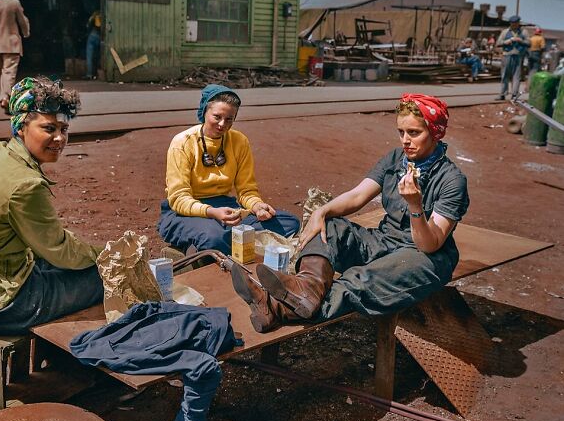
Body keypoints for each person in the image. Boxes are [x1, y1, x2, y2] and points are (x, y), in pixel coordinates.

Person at [231, 94, 469, 333]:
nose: (405, 140)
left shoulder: (451, 180)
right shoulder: (397, 159)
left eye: (414, 133)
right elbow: (357, 196)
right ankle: (306, 288)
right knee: (331, 227)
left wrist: (415, 206)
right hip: (385, 241)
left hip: (424, 257)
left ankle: (275, 307)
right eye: (401, 132)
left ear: (435, 133)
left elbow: (430, 244)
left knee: (362, 279)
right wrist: (322, 212)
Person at [0, 76, 103, 335]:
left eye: (64, 129)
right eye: (49, 129)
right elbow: (59, 249)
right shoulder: (26, 185)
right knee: (100, 278)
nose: (59, 138)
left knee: (55, 264)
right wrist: (104, 256)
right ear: (21, 127)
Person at [158, 84, 300, 254]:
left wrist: (257, 206)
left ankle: (213, 245)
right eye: (217, 117)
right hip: (185, 212)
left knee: (290, 223)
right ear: (204, 112)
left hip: (226, 208)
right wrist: (211, 212)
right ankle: (215, 241)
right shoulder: (182, 143)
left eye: (229, 119)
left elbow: (246, 190)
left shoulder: (240, 141)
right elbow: (179, 198)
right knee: (213, 236)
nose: (222, 124)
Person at [496, 15, 530, 100]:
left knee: (516, 76)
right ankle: (502, 94)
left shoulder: (524, 32)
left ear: (518, 23)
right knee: (504, 75)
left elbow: (529, 43)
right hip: (507, 55)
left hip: (518, 56)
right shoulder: (505, 32)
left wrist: (520, 40)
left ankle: (514, 94)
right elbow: (498, 43)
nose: (514, 24)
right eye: (512, 23)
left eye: (516, 23)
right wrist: (506, 42)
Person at [85, 10, 103, 80]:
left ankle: (90, 74)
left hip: (92, 35)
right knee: (99, 56)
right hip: (100, 37)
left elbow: (88, 25)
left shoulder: (94, 15)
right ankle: (97, 74)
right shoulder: (104, 14)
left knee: (90, 57)